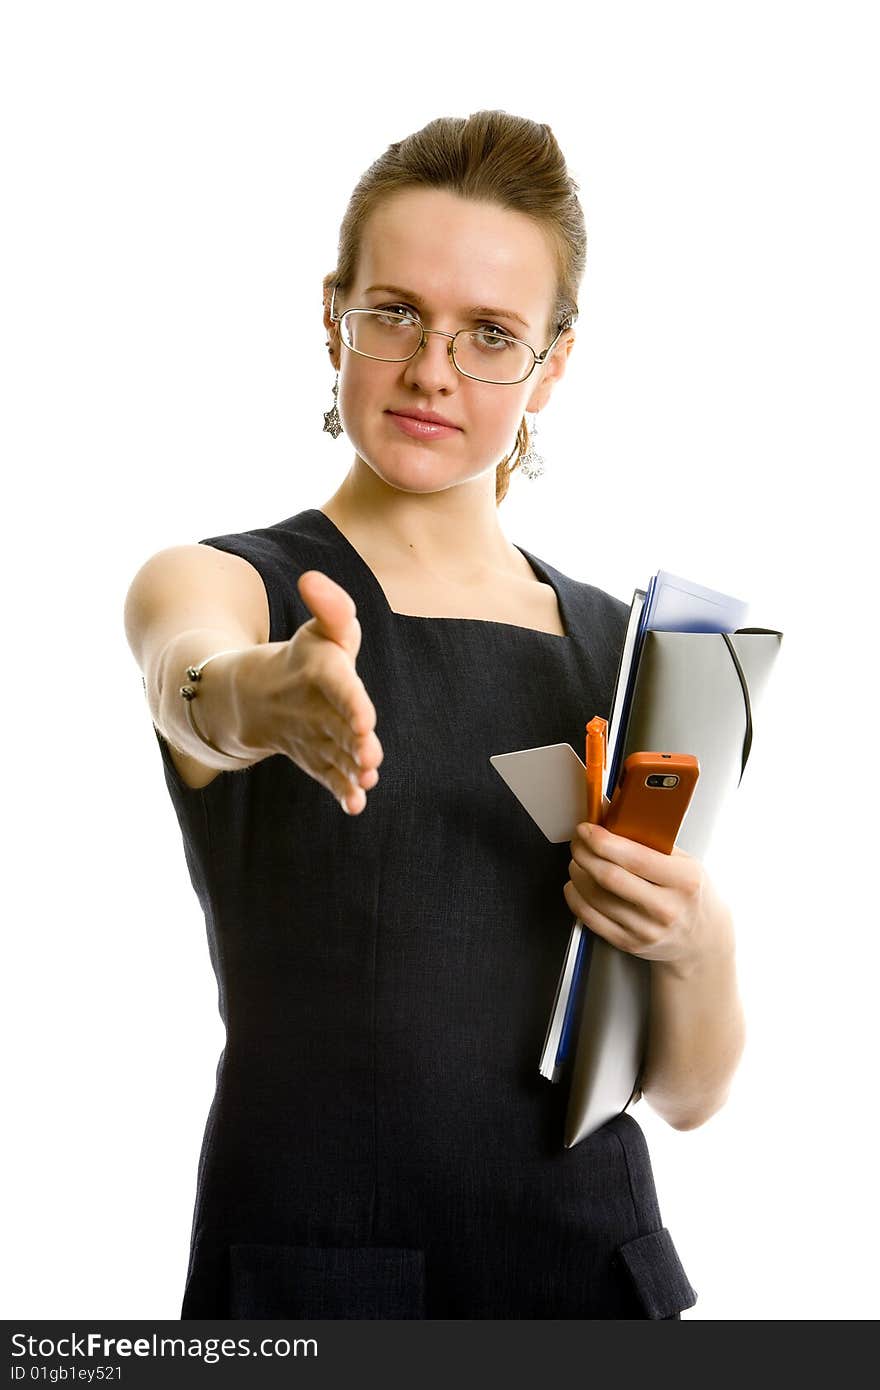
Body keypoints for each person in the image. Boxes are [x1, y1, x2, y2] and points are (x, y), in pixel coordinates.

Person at [124, 110, 745, 1320]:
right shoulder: (229, 582)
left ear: (553, 364)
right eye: (394, 312)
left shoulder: (631, 650)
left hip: (594, 1274)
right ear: (332, 315)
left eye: (490, 335)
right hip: (316, 1280)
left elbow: (685, 1093)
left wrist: (698, 938)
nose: (430, 370)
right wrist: (264, 694)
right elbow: (187, 679)